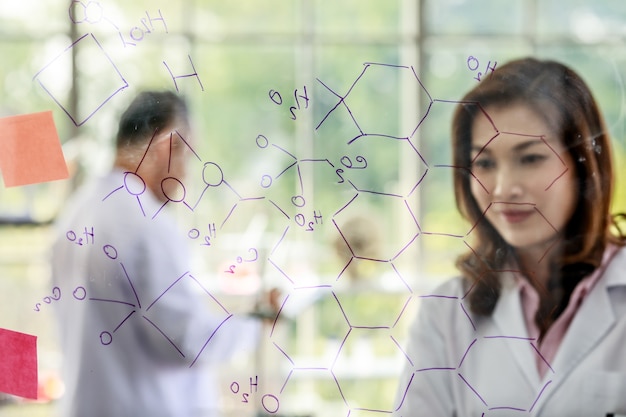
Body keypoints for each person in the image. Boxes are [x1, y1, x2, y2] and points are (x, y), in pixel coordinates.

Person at [394, 58, 626, 416]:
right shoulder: (446, 313)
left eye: (530, 159)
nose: (504, 188)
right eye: (484, 163)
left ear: (582, 164)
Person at [51, 91, 261, 417]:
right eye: (188, 156)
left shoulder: (75, 214)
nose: (187, 175)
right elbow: (187, 340)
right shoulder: (146, 223)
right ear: (167, 145)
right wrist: (254, 323)